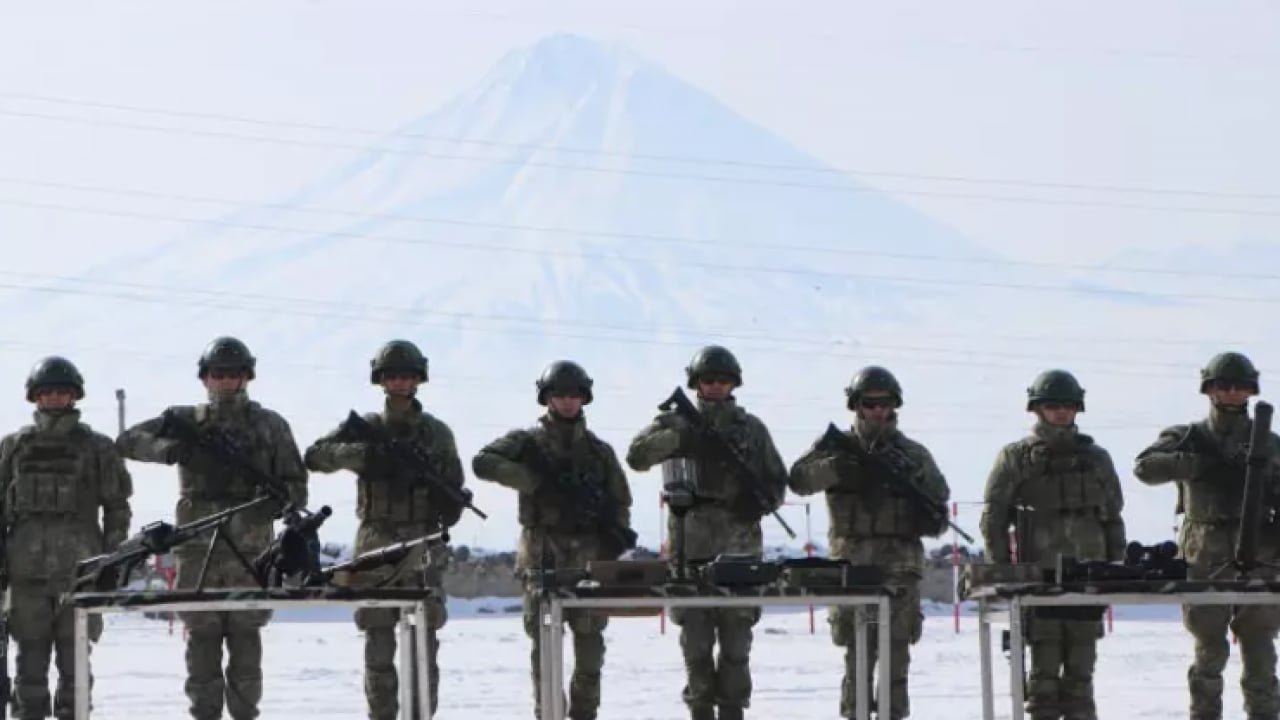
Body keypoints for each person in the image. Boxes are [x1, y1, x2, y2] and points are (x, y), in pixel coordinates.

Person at [116, 336, 307, 720]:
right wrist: (173, 449)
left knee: (246, 647)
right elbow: (128, 441)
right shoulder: (186, 421)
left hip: (251, 554)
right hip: (197, 552)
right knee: (201, 647)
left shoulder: (270, 425)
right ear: (205, 378)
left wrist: (272, 502)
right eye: (218, 374)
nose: (226, 381)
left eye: (234, 374)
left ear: (247, 377)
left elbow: (297, 487)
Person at [304, 339, 467, 719]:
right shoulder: (368, 428)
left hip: (422, 543)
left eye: (407, 376)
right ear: (380, 379)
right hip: (375, 542)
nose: (399, 383)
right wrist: (365, 456)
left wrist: (451, 501)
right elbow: (315, 455)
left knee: (423, 644)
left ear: (418, 379)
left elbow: (453, 487)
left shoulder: (437, 433)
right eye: (392, 375)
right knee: (377, 645)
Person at [625, 345, 787, 720]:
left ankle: (732, 711)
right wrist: (680, 437)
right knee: (695, 646)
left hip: (739, 550)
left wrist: (758, 502)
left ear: (734, 384)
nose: (715, 386)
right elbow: (637, 456)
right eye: (708, 379)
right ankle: (700, 710)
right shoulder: (676, 422)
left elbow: (777, 481)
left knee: (736, 646)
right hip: (690, 548)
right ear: (696, 383)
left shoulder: (752, 430)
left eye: (722, 380)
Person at [472, 360, 633, 720]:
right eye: (560, 395)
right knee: (545, 653)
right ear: (547, 397)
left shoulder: (599, 452)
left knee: (590, 653)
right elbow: (483, 462)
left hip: (589, 562)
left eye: (574, 395)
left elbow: (621, 502)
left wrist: (611, 547)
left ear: (584, 398)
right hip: (542, 558)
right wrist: (532, 481)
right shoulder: (527, 442)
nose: (567, 401)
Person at [788, 365, 950, 719]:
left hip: (900, 569)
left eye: (884, 404)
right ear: (856, 406)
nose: (877, 411)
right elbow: (798, 479)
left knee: (896, 658)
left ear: (895, 405)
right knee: (856, 657)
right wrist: (838, 468)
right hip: (851, 567)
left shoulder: (914, 455)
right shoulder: (836, 447)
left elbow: (939, 508)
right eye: (870, 403)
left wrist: (915, 497)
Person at [1134, 351, 1280, 720]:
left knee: (1261, 653)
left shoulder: (1269, 441)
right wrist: (1197, 463)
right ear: (1209, 389)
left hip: (1260, 551)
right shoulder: (1189, 437)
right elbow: (1145, 468)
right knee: (1209, 652)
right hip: (1205, 550)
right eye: (1223, 385)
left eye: (1239, 386)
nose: (1231, 392)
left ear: (1251, 390)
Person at [980, 369, 1125, 720]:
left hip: (1088, 578)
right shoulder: (1016, 457)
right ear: (1037, 409)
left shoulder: (1097, 459)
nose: (1061, 412)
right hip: (1038, 580)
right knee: (1043, 677)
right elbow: (994, 520)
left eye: (1067, 406)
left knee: (1081, 675)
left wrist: (1117, 570)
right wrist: (1005, 572)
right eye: (1052, 406)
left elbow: (1112, 518)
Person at [0, 356, 133, 719]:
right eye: (47, 392)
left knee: (76, 669)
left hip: (81, 574)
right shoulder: (13, 447)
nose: (55, 398)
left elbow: (117, 508)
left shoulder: (98, 448)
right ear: (34, 396)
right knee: (29, 667)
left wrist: (113, 560)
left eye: (62, 391)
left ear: (74, 395)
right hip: (26, 576)